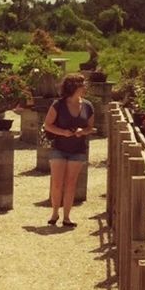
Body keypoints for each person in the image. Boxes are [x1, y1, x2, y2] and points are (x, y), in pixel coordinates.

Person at [43, 73, 96, 228]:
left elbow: (90, 127)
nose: (85, 87)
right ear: (74, 87)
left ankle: (67, 217)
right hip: (59, 148)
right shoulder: (58, 105)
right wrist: (63, 132)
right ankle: (54, 213)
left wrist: (83, 131)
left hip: (78, 149)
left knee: (71, 183)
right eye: (83, 84)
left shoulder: (88, 106)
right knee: (57, 183)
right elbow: (47, 125)